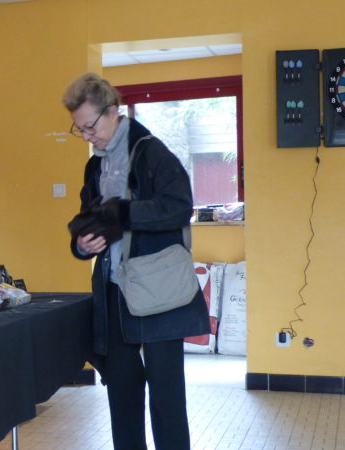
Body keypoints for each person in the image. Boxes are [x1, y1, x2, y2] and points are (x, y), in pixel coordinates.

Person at [62, 73, 210, 450]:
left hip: (156, 291)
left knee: (166, 400)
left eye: (90, 126)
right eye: (78, 129)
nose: (87, 136)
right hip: (114, 293)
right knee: (122, 396)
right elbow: (88, 217)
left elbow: (178, 209)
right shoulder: (94, 166)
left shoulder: (151, 152)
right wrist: (83, 242)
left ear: (114, 111)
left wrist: (123, 213)